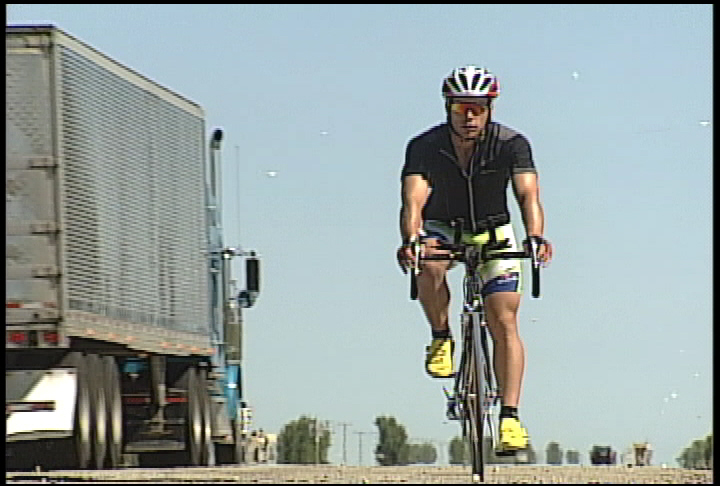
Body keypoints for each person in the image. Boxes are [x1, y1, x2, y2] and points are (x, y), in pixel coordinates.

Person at [396, 65, 553, 453]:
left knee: (504, 320)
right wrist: (411, 239)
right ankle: (440, 336)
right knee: (429, 264)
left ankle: (510, 418)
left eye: (478, 108)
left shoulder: (511, 144)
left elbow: (528, 195)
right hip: (443, 226)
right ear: (448, 108)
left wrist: (535, 237)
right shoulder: (425, 146)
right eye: (461, 108)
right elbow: (413, 199)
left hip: (493, 230)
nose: (469, 117)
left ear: (490, 109)